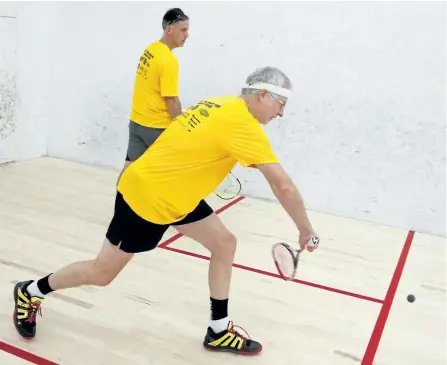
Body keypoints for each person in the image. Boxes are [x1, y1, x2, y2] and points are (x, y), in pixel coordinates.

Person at [12, 66, 320, 356]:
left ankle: (218, 329)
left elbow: (186, 135)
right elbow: (283, 187)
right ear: (262, 94)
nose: (281, 113)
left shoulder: (217, 103)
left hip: (177, 196)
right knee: (102, 273)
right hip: (147, 199)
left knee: (224, 243)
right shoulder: (242, 125)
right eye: (280, 103)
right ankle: (32, 290)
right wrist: (305, 229)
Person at [118, 7, 189, 183]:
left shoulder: (150, 49)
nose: (187, 34)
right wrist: (180, 123)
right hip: (156, 129)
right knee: (171, 178)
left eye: (187, 29)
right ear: (169, 29)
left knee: (129, 171)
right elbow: (171, 99)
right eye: (183, 30)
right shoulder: (168, 61)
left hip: (137, 123)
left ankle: (121, 207)